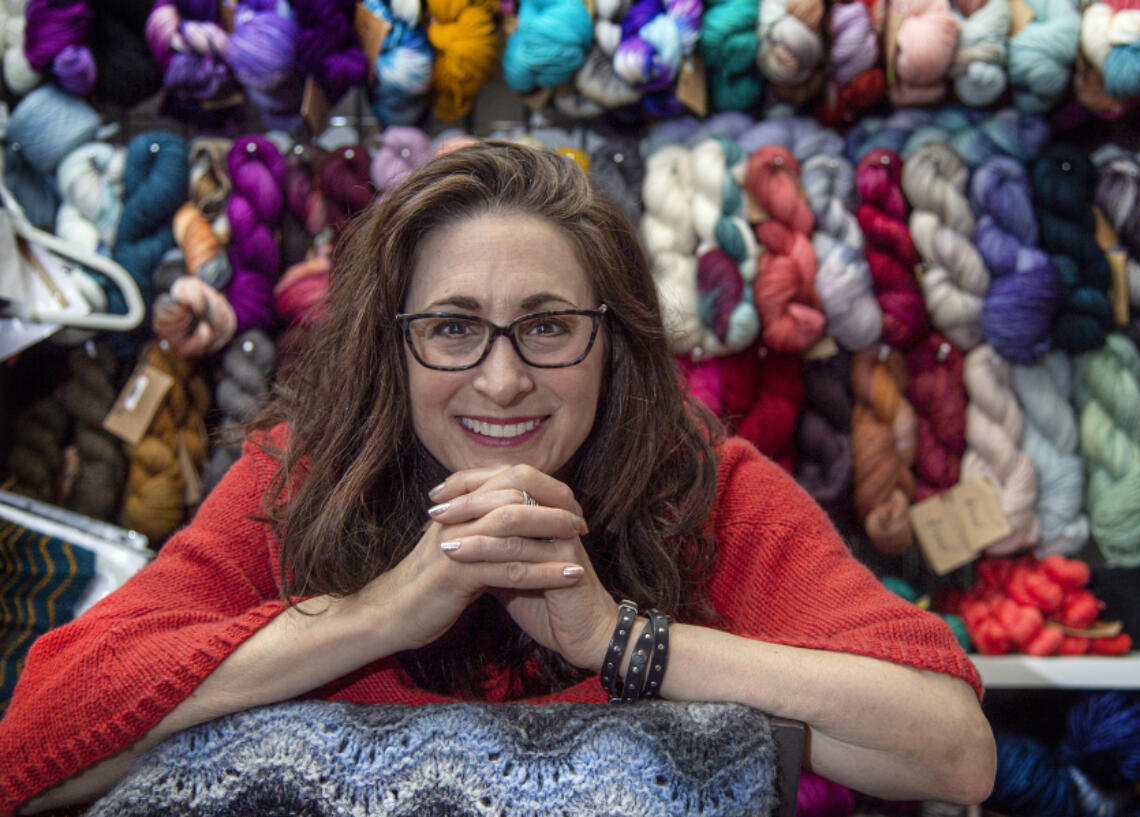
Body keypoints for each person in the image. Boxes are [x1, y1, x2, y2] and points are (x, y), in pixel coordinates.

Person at [0, 142, 995, 813]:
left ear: (615, 344)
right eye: (452, 327)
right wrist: (382, 612)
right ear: (389, 346)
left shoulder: (700, 487)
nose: (503, 376)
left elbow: (947, 746)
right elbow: (33, 750)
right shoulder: (298, 479)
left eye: (550, 326)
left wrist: (617, 639)